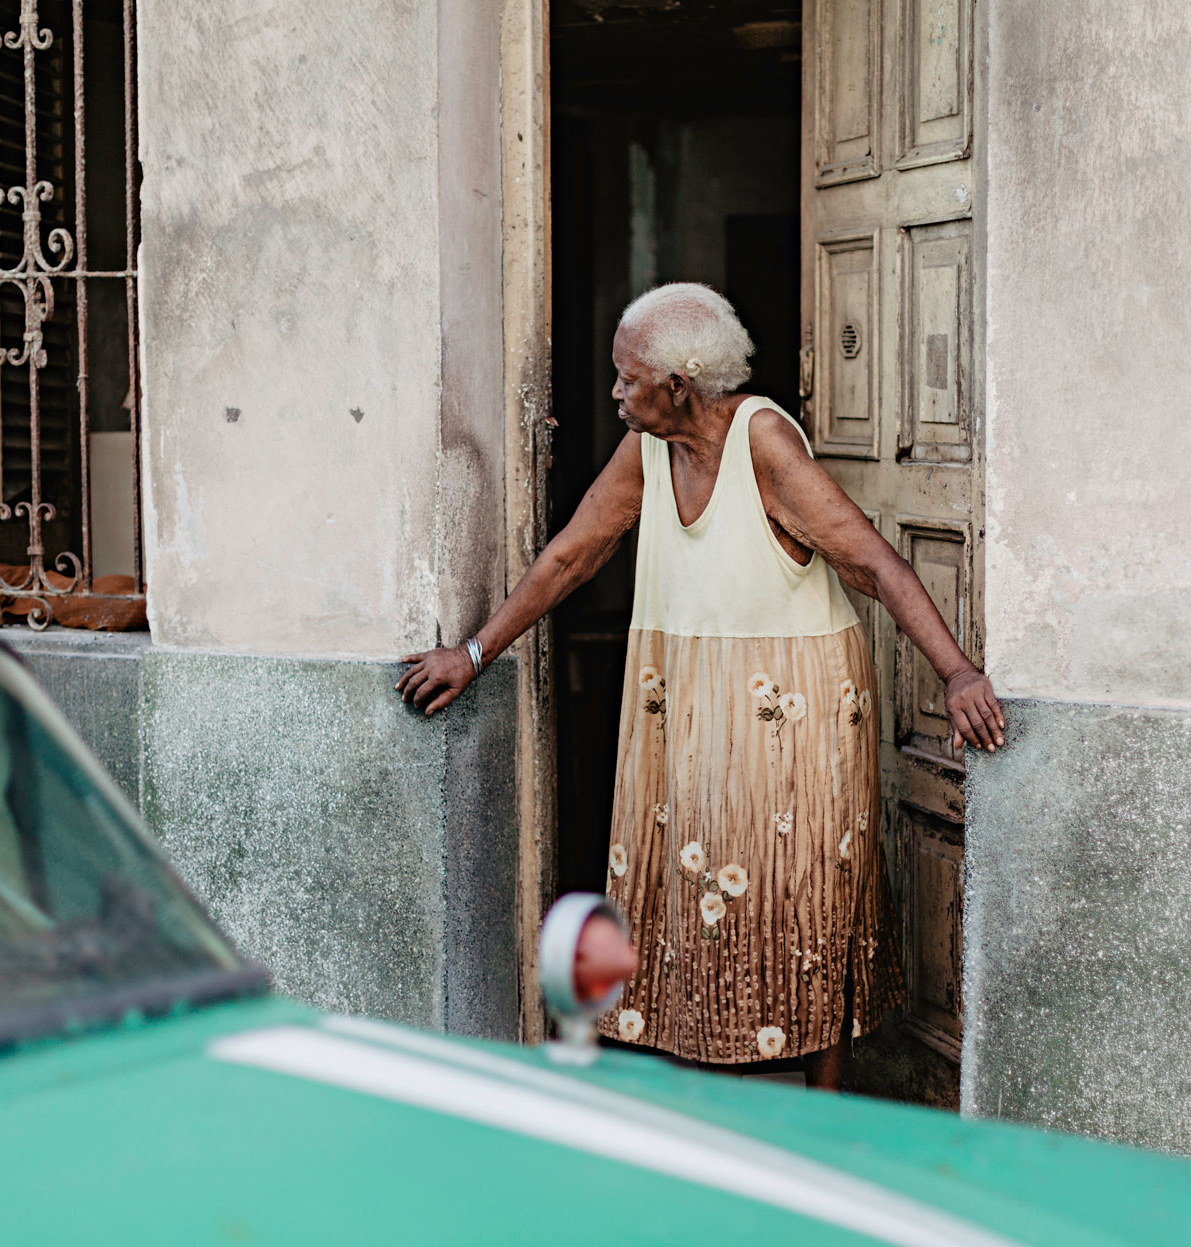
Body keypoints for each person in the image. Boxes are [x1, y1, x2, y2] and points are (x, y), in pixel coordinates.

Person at [398, 283, 1004, 1089]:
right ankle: (703, 1102)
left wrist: (956, 669)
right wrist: (474, 654)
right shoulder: (648, 447)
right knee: (686, 893)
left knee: (805, 897)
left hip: (791, 705)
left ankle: (820, 1112)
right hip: (686, 701)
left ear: (679, 385)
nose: (613, 392)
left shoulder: (762, 444)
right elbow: (573, 553)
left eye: (627, 378)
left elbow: (871, 561)